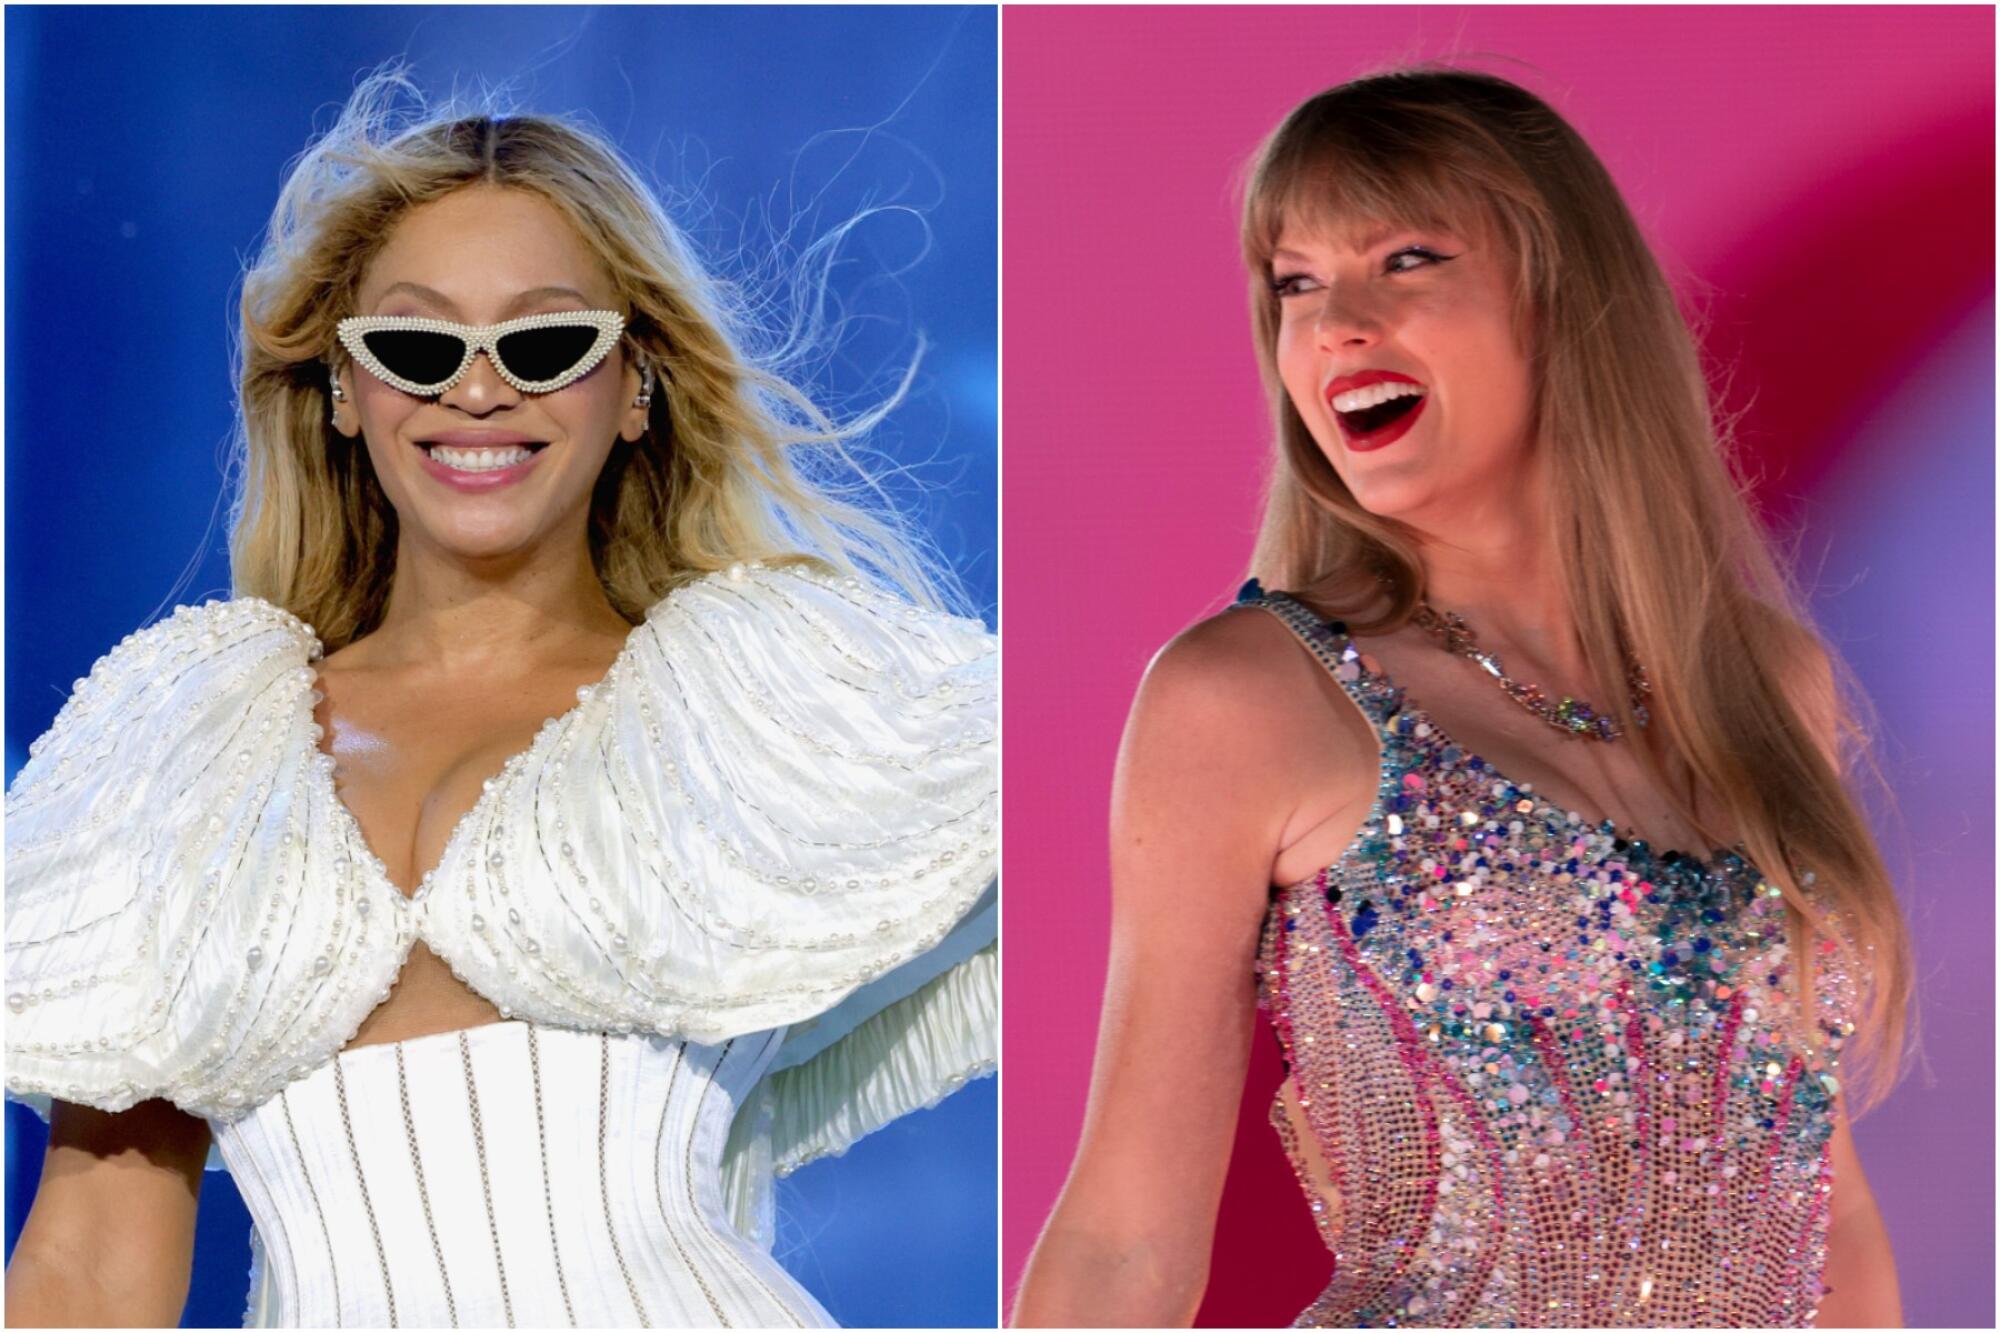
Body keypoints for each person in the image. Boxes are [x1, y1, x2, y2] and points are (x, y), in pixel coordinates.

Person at [5, 70, 996, 1329]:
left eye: (542, 343)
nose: (479, 391)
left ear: (633, 383)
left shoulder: (753, 696)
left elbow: (1108, 805)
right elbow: (90, 1263)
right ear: (345, 391)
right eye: (418, 346)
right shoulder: (191, 744)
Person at [1012, 66, 1908, 1329]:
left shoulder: (1762, 681)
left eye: (1407, 259)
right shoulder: (1247, 698)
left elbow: (1826, 1207)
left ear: (1564, 301)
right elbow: (1122, 1241)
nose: (1337, 325)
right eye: (1296, 283)